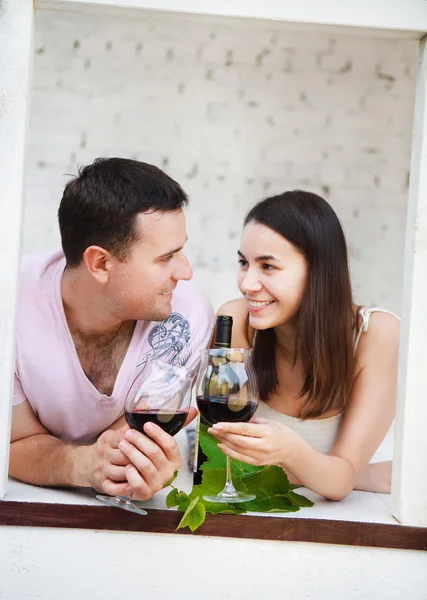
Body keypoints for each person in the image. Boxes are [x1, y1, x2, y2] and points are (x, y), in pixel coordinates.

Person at [10, 157, 214, 502]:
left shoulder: (188, 314)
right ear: (100, 263)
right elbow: (11, 445)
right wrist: (79, 464)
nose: (186, 271)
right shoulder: (10, 309)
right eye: (167, 257)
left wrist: (137, 466)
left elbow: (128, 448)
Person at [208, 190, 399, 500]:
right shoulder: (236, 320)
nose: (246, 284)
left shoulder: (375, 334)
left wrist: (295, 454)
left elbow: (338, 484)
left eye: (267, 266)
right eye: (244, 263)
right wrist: (355, 476)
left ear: (317, 270)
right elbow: (222, 466)